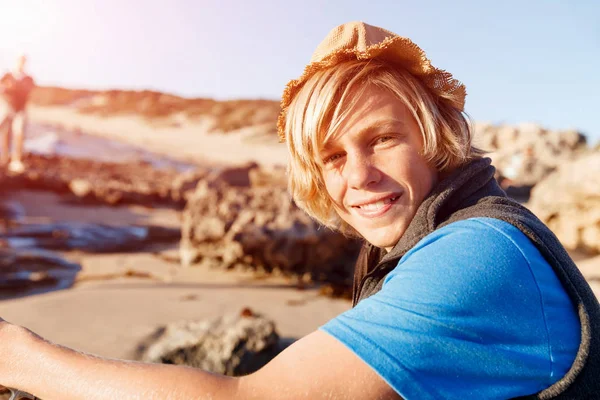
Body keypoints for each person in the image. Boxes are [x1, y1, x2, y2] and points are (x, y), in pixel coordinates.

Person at [0, 21, 599, 399]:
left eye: (381, 139)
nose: (358, 176)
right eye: (332, 156)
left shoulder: (479, 255)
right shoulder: (436, 239)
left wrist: (23, 358)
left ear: (435, 134)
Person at [0, 54, 35, 173]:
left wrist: (13, 87)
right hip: (7, 107)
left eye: (23, 61)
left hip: (20, 109)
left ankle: (16, 160)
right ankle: (4, 157)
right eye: (19, 61)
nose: (21, 63)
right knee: (5, 132)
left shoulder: (28, 78)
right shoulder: (7, 75)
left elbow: (28, 90)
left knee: (19, 133)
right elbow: (2, 88)